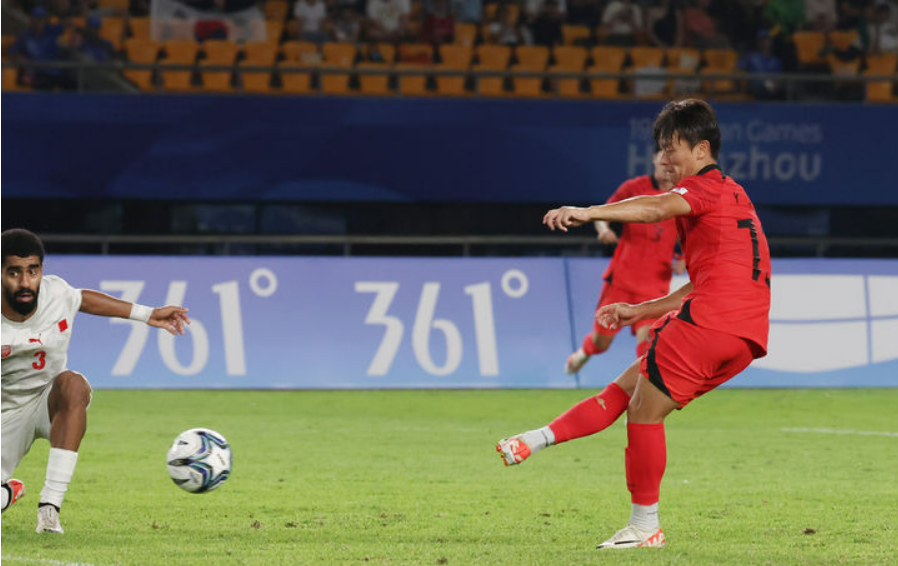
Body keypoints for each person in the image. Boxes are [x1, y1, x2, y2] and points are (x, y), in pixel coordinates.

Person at [496, 99, 771, 549]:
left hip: (711, 323)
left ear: (702, 150)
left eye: (672, 148)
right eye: (661, 149)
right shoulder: (735, 196)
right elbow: (707, 280)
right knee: (627, 390)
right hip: (743, 334)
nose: (665, 159)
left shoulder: (701, 189)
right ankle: (536, 439)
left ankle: (645, 526)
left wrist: (589, 212)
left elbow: (657, 207)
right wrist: (642, 310)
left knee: (643, 412)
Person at [1, 229, 191, 534]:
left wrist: (149, 314)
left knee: (73, 384)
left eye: (32, 271)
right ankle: (7, 492)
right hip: (6, 415)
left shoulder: (55, 293)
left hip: (47, 401)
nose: (25, 283)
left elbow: (82, 300)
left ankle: (49, 508)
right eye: (14, 273)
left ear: (41, 271)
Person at [564, 147, 685, 376]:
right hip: (622, 279)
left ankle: (640, 394)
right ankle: (583, 354)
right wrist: (603, 229)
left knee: (648, 342)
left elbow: (693, 239)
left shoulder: (682, 198)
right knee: (601, 343)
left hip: (654, 285)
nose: (665, 165)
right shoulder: (634, 188)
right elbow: (601, 213)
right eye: (662, 159)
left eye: (670, 161)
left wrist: (682, 260)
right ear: (654, 159)